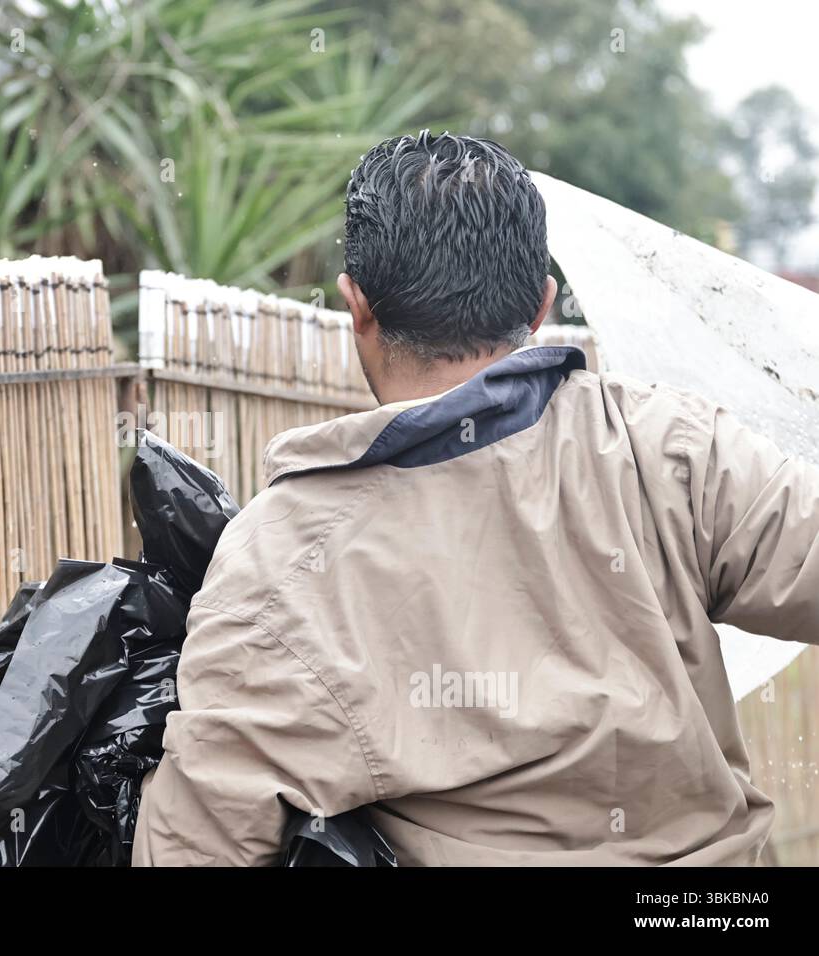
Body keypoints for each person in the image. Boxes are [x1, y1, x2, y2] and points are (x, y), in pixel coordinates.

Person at [131, 130, 819, 866]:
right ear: (542, 305)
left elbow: (198, 843)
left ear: (356, 306)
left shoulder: (279, 562)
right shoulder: (671, 449)